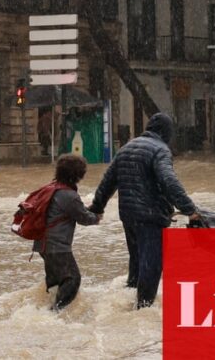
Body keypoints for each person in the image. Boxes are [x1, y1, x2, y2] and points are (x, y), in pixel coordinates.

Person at [89, 113, 201, 309]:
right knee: (152, 264)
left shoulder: (125, 148)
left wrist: (97, 208)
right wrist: (189, 209)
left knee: (137, 261)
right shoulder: (160, 150)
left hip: (128, 216)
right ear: (166, 133)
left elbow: (107, 182)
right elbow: (169, 180)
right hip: (150, 217)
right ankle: (143, 310)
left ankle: (126, 304)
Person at [36, 154, 101, 311]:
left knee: (55, 282)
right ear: (77, 175)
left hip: (42, 244)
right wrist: (97, 217)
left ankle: (45, 311)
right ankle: (55, 313)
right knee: (73, 279)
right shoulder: (69, 195)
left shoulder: (52, 188)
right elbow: (84, 218)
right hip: (57, 246)